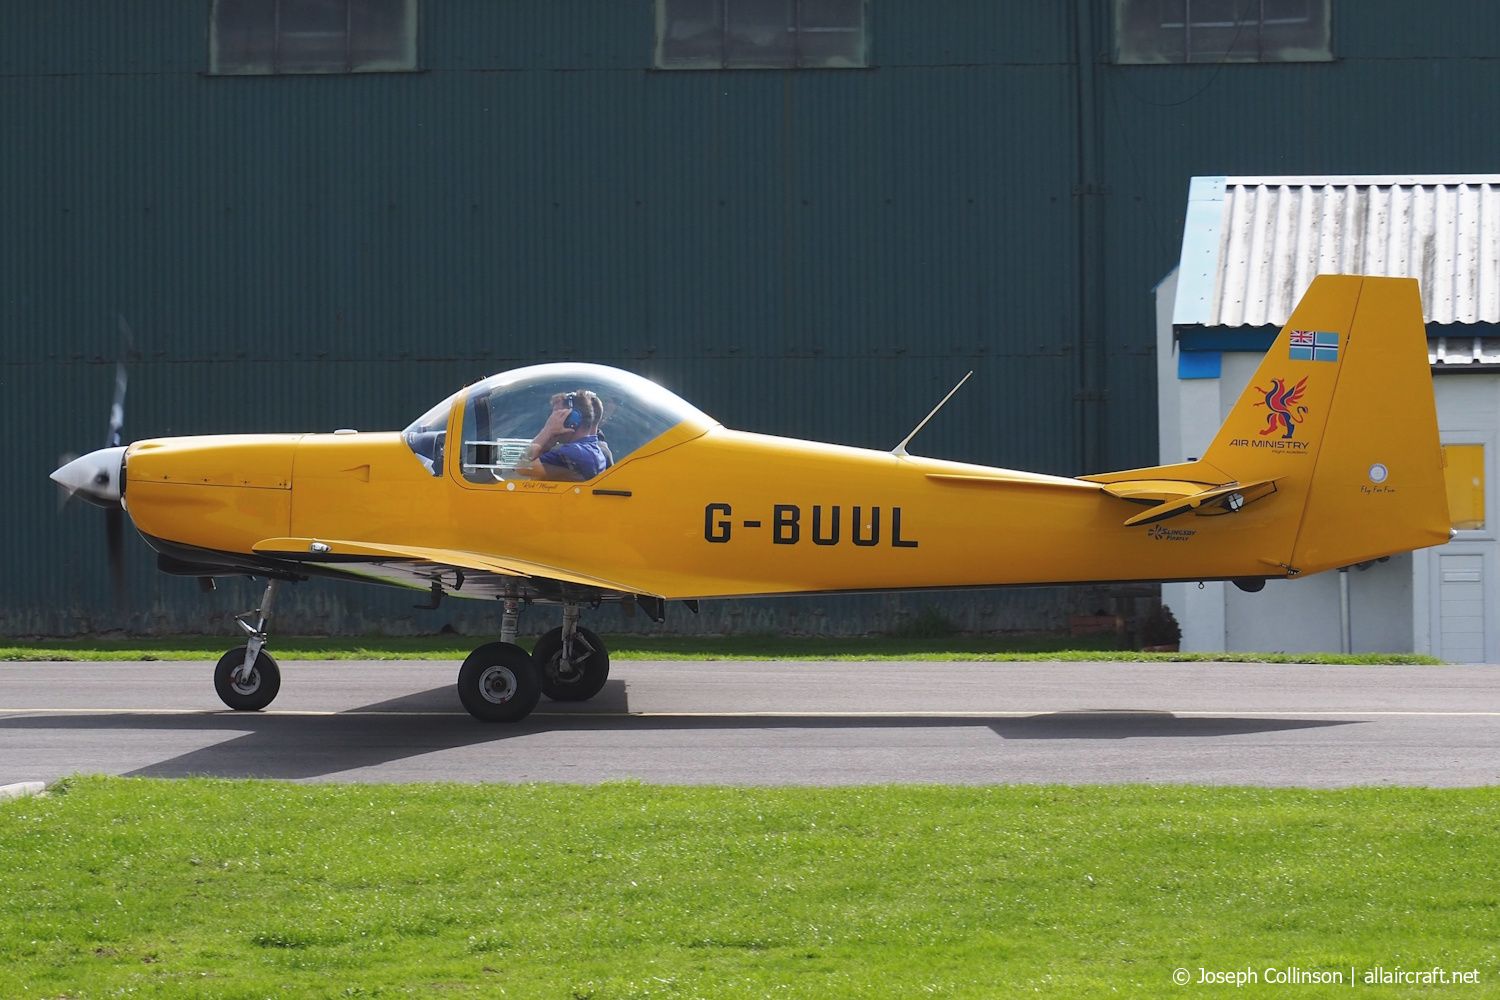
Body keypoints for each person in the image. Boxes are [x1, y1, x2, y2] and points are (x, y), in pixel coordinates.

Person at [518, 389, 611, 481]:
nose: (552, 419)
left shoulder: (573, 452)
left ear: (572, 420)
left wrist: (547, 430)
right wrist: (550, 441)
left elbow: (521, 467)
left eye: (557, 415)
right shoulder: (592, 448)